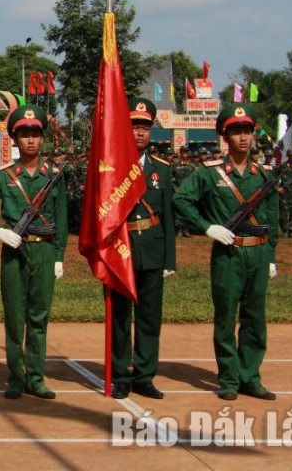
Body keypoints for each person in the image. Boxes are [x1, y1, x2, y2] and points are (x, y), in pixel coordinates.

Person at [174, 103, 279, 401]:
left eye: (247, 131)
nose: (243, 138)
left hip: (257, 253)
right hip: (228, 253)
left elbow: (272, 219)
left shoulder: (264, 174)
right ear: (225, 136)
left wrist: (270, 256)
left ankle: (251, 377)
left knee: (255, 318)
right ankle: (230, 379)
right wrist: (207, 227)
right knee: (226, 318)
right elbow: (182, 201)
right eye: (236, 132)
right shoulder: (209, 173)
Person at [0, 104, 67, 400]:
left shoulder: (53, 175)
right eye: (24, 135)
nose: (30, 140)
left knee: (39, 318)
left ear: (42, 139)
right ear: (15, 140)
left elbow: (62, 219)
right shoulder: (4, 177)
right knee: (15, 319)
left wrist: (59, 257)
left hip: (44, 252)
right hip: (14, 254)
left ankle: (36, 378)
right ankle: (16, 376)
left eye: (35, 135)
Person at [111, 99, 176, 400]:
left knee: (149, 316)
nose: (139, 133)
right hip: (120, 248)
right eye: (134, 127)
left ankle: (145, 375)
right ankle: (120, 372)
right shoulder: (110, 166)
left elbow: (168, 216)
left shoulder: (161, 169)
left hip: (151, 247)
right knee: (121, 316)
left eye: (144, 127)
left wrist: (169, 258)